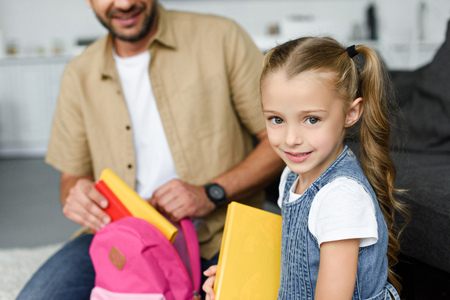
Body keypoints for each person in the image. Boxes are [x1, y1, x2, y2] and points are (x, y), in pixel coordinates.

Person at [17, 0, 284, 299]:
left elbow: (281, 141)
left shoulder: (222, 37)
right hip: (119, 235)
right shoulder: (78, 74)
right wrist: (77, 196)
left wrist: (211, 193)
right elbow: (71, 179)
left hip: (219, 232)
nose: (124, 3)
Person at [203, 36, 408, 300]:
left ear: (351, 113)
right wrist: (238, 278)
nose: (290, 139)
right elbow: (293, 263)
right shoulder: (292, 176)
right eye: (276, 119)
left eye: (311, 119)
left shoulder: (341, 198)